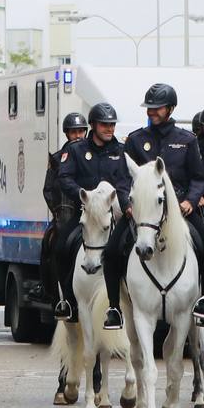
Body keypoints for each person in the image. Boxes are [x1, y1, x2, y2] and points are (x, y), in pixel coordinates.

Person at [105, 83, 204, 323]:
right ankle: (114, 308)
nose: (151, 112)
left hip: (179, 209)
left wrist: (191, 201)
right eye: (149, 108)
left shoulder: (187, 140)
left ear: (171, 109)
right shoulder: (135, 140)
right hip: (142, 211)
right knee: (111, 251)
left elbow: (199, 177)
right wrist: (126, 205)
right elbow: (122, 179)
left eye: (157, 108)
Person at [54, 103, 133, 329]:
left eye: (112, 124)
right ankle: (67, 301)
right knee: (61, 246)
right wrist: (83, 196)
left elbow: (126, 180)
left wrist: (123, 202)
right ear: (93, 126)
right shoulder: (77, 150)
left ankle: (125, 301)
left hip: (113, 212)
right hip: (86, 212)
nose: (109, 128)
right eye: (104, 124)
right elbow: (64, 177)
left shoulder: (120, 151)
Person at [42, 112, 89, 320]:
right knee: (49, 244)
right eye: (73, 132)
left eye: (80, 131)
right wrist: (58, 211)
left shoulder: (91, 156)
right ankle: (55, 293)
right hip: (64, 212)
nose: (77, 135)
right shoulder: (56, 158)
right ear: (67, 133)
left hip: (89, 212)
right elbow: (48, 189)